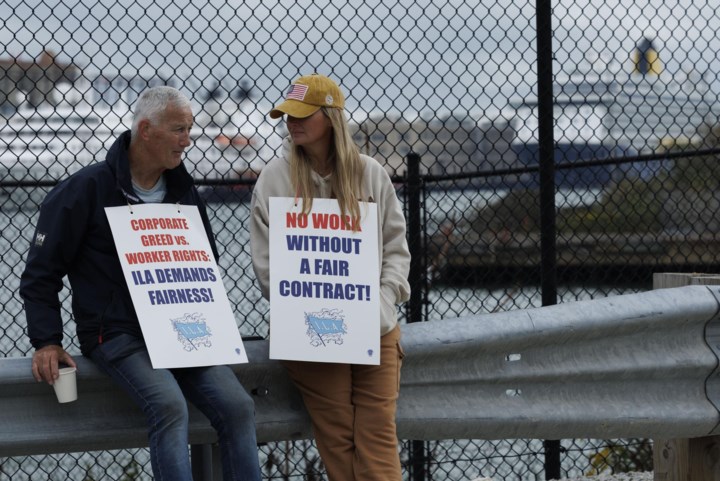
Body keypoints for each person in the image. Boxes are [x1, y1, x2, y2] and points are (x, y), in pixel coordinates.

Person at [20, 86, 262, 481]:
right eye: (179, 129)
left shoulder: (184, 194)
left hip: (181, 331)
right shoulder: (86, 189)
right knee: (169, 405)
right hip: (116, 333)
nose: (188, 140)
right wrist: (46, 340)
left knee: (238, 406)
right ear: (146, 130)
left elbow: (206, 264)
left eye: (190, 129)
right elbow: (40, 273)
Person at [250, 73, 411, 481]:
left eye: (302, 115)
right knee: (337, 436)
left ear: (331, 118)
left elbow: (396, 248)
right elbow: (267, 266)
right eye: (286, 115)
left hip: (376, 326)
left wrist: (382, 302)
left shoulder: (371, 174)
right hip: (310, 330)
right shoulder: (274, 178)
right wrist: (306, 309)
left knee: (376, 435)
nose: (291, 123)